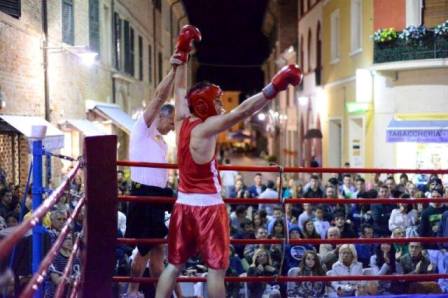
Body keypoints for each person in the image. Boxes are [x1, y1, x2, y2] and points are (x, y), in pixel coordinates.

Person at [155, 25, 303, 298]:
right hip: (208, 207)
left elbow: (179, 89)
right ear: (205, 106)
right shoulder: (207, 127)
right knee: (215, 269)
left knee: (174, 265)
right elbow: (244, 110)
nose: (221, 105)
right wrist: (275, 85)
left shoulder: (180, 121)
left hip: (183, 204)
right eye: (218, 101)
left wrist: (183, 51)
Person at [124, 32, 181, 297]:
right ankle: (133, 291)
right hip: (145, 195)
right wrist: (173, 69)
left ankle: (161, 293)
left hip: (157, 196)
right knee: (145, 249)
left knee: (158, 249)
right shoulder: (144, 128)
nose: (172, 128)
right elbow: (159, 96)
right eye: (171, 123)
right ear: (162, 116)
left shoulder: (159, 140)